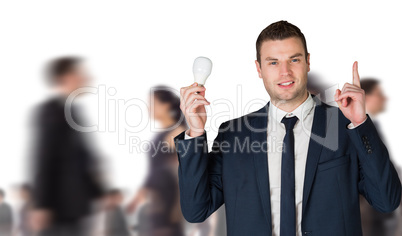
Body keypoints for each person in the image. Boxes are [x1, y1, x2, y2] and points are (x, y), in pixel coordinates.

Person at [174, 21, 401, 236]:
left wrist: (360, 125)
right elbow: (196, 210)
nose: (285, 72)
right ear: (259, 68)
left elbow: (386, 200)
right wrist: (195, 133)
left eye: (294, 60)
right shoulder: (233, 134)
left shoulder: (345, 127)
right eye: (273, 62)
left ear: (308, 62)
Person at [30, 57, 105, 236]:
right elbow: (44, 158)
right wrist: (42, 204)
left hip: (76, 210)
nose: (86, 78)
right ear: (66, 77)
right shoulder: (51, 111)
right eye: (80, 74)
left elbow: (81, 161)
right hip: (59, 211)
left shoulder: (73, 113)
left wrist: (100, 193)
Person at [127, 86, 186, 236]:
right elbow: (156, 167)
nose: (148, 108)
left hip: (167, 201)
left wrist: (177, 206)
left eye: (152, 104)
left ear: (166, 105)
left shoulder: (177, 132)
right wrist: (140, 194)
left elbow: (180, 169)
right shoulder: (163, 134)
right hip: (155, 200)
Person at [358, 78, 402, 236]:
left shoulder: (373, 129)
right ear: (366, 98)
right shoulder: (359, 133)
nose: (384, 98)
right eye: (379, 94)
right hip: (370, 218)